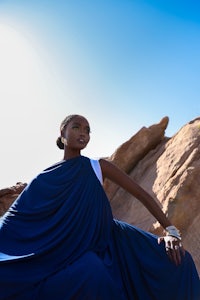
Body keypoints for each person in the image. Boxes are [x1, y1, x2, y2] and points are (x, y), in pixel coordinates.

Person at [0, 114, 199, 300]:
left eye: (87, 130)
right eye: (76, 127)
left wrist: (171, 231)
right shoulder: (45, 178)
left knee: (180, 262)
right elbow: (18, 218)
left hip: (114, 239)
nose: (82, 133)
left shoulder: (98, 166)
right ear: (62, 133)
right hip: (70, 246)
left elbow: (141, 194)